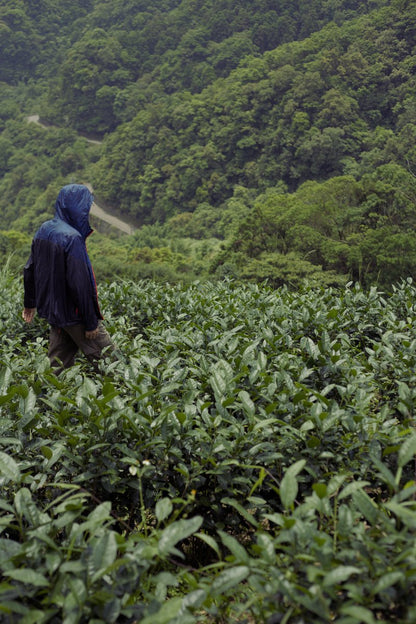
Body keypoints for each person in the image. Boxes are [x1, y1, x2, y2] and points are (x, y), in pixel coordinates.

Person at [22, 183, 115, 373]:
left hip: (56, 315)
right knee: (113, 364)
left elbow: (30, 268)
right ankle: (128, 401)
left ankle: (44, 401)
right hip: (75, 316)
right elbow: (80, 285)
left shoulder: (44, 229)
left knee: (57, 368)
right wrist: (90, 322)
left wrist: (29, 302)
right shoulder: (72, 238)